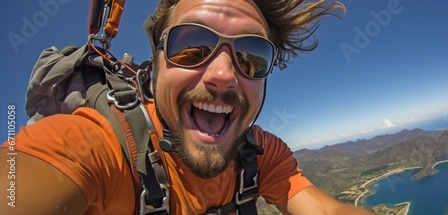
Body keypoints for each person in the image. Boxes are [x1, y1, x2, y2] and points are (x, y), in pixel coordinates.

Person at [0, 0, 375, 214]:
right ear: (157, 62)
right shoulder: (98, 146)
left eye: (250, 56)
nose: (225, 74)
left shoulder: (259, 154)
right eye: (191, 46)